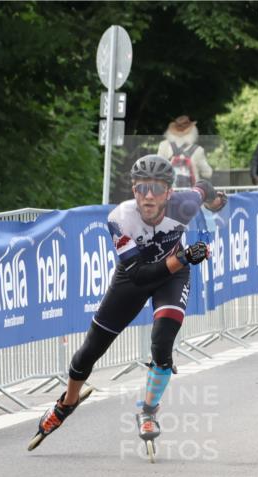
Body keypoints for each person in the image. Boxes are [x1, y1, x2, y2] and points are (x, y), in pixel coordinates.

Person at [32, 156, 227, 446]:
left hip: (172, 277)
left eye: (156, 189)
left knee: (162, 342)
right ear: (133, 189)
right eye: (141, 189)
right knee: (91, 350)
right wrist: (184, 257)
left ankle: (148, 410)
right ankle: (67, 403)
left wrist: (213, 202)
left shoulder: (185, 204)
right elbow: (139, 275)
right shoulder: (120, 218)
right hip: (135, 276)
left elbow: (204, 186)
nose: (148, 196)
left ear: (169, 193)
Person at [156, 115, 213, 188]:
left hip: (169, 192)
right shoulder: (198, 150)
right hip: (191, 193)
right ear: (193, 130)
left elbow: (157, 169)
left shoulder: (163, 145)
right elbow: (208, 173)